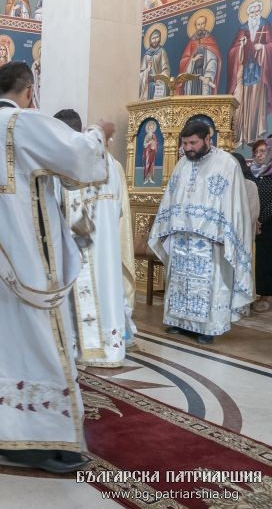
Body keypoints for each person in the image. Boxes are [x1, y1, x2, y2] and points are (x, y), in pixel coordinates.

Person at [0, 62, 114, 473]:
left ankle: (1, 427)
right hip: (28, 270)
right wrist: (101, 132)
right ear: (30, 91)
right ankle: (46, 440)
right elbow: (79, 160)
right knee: (38, 346)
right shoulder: (23, 124)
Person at [149, 121, 253, 344]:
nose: (188, 148)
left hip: (211, 240)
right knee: (179, 281)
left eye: (193, 143)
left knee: (210, 283)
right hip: (181, 238)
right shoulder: (182, 165)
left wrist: (223, 231)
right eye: (185, 143)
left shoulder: (227, 164)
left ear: (208, 139)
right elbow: (171, 196)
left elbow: (234, 205)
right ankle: (180, 322)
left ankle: (208, 328)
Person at [54, 109, 134, 368]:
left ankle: (80, 346)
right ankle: (111, 350)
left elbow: (55, 207)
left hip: (78, 245)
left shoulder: (65, 164)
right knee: (108, 291)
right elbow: (121, 208)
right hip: (107, 246)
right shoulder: (113, 163)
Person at [227, 0, 272, 145]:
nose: (255, 14)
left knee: (256, 102)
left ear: (261, 12)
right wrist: (241, 46)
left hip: (259, 71)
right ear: (248, 13)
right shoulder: (243, 28)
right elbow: (232, 51)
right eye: (252, 12)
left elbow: (271, 44)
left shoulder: (265, 25)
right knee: (244, 103)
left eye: (257, 11)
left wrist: (263, 48)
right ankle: (243, 135)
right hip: (245, 73)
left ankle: (256, 134)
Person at [251, 138, 272, 312]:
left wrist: (260, 219)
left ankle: (266, 295)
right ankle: (255, 293)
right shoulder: (252, 173)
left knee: (266, 259)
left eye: (262, 151)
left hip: (268, 223)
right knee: (255, 258)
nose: (259, 155)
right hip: (252, 223)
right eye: (256, 152)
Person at [179, 13, 221, 96]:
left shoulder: (210, 40)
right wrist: (193, 60)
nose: (201, 26)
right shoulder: (191, 42)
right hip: (192, 76)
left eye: (202, 24)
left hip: (204, 75)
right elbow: (184, 60)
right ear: (195, 26)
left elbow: (213, 59)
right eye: (198, 24)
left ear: (205, 24)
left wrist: (208, 76)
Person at [139, 28, 171, 100]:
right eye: (153, 38)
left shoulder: (162, 52)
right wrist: (147, 69)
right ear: (150, 40)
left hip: (159, 81)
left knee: (158, 86)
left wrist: (160, 78)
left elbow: (166, 69)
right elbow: (141, 73)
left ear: (159, 39)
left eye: (157, 37)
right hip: (148, 83)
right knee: (150, 87)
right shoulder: (146, 55)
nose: (155, 40)